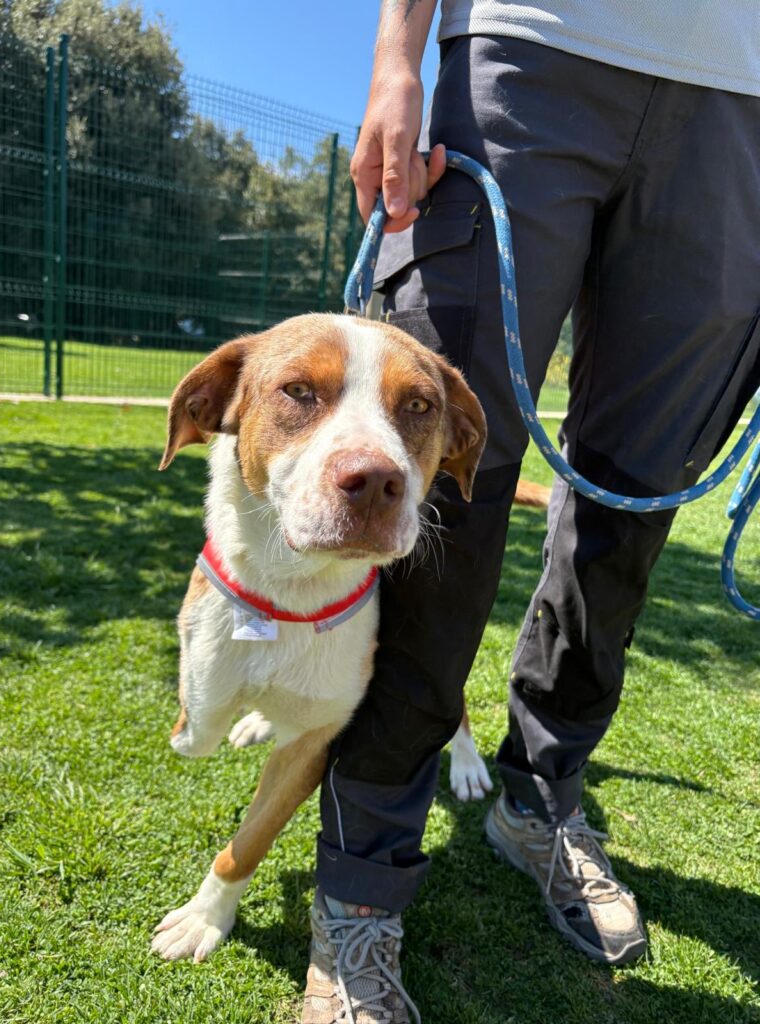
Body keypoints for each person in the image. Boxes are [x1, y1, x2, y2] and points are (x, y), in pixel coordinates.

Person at [302, 3, 760, 1021]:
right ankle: (360, 884)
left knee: (631, 504)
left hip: (738, 105)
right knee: (436, 481)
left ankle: (539, 798)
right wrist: (394, 57)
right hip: (527, 51)